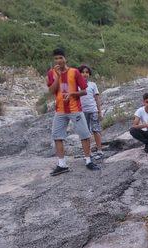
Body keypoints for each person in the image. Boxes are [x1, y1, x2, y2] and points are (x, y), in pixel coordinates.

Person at [46, 48, 99, 176]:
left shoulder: (74, 72)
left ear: (65, 59)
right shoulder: (51, 73)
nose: (58, 61)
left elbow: (84, 91)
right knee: (57, 136)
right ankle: (62, 164)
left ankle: (88, 160)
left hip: (75, 109)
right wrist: (58, 77)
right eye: (56, 58)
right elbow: (52, 91)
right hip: (60, 110)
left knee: (84, 135)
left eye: (61, 58)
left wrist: (72, 94)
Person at [79, 65, 103, 159]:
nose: (85, 74)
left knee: (96, 130)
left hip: (93, 110)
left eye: (87, 72)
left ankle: (99, 150)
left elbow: (97, 99)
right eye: (83, 72)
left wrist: (99, 112)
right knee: (86, 132)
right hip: (82, 112)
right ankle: (88, 152)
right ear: (79, 73)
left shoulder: (93, 84)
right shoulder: (76, 85)